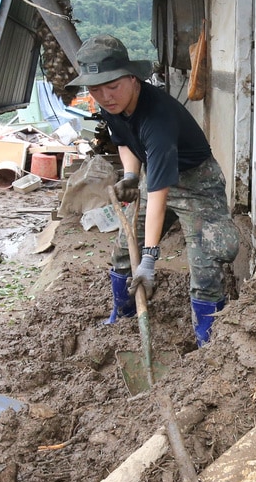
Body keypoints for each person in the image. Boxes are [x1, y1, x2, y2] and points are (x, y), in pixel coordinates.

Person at [73, 35, 239, 345]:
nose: (106, 97)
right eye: (96, 90)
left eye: (113, 87)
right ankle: (121, 319)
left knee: (207, 265)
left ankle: (209, 345)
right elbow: (122, 139)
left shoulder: (157, 119)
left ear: (132, 78)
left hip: (197, 183)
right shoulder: (112, 105)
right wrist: (132, 175)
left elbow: (160, 195)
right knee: (124, 250)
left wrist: (150, 258)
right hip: (153, 176)